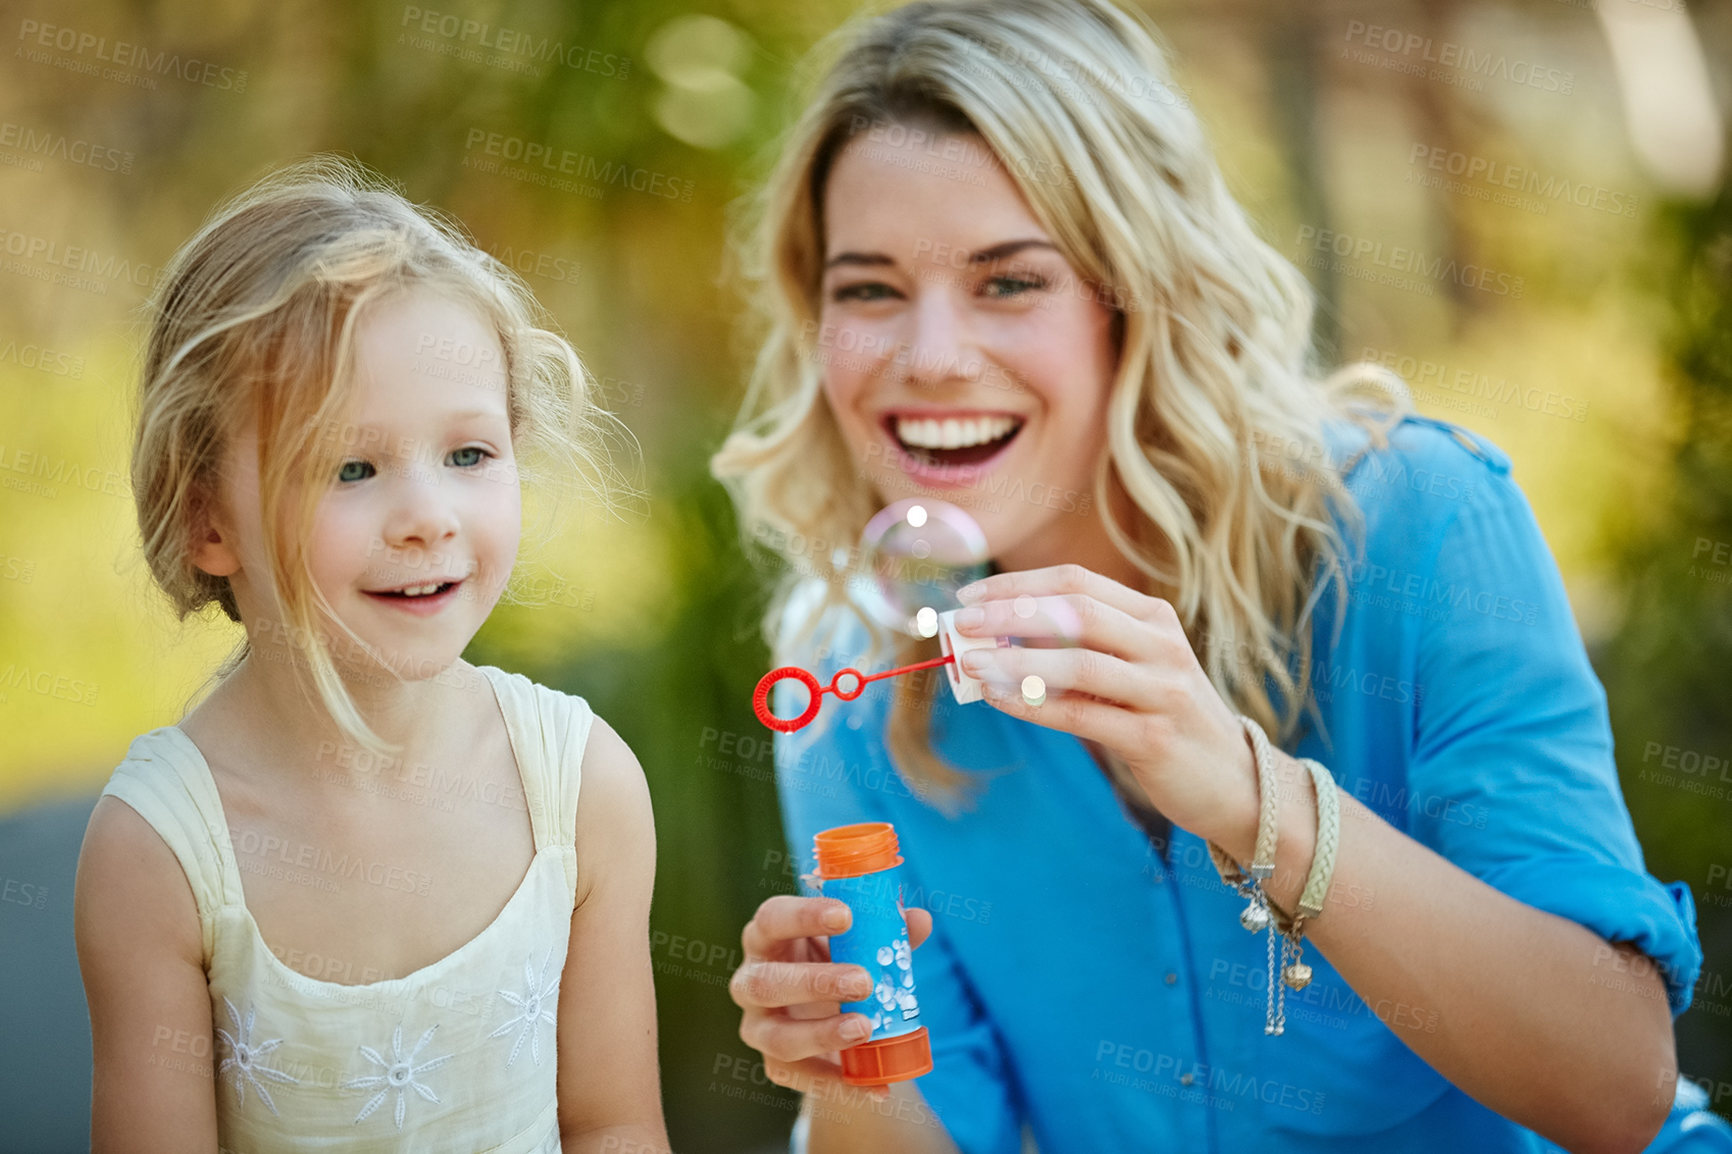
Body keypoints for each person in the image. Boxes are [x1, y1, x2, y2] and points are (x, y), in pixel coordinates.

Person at [712, 1, 1727, 1151]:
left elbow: (1617, 1083)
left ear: (1133, 290)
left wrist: (1244, 792)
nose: (930, 355)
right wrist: (846, 1065)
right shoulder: (851, 676)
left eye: (1008, 281)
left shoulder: (1415, 526)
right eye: (867, 287)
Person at [73, 158, 667, 1153]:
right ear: (209, 516)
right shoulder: (161, 853)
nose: (428, 517)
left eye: (469, 454)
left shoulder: (578, 785)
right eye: (351, 465)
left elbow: (611, 1122)